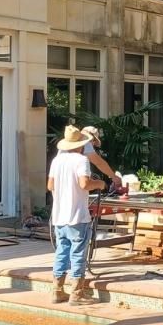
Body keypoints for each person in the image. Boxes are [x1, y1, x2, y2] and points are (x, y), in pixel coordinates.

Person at [47, 125, 104, 303]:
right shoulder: (81, 161)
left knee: (62, 251)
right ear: (80, 145)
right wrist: (100, 183)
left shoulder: (57, 161)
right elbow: (84, 184)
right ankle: (76, 293)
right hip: (77, 215)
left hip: (59, 215)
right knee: (78, 252)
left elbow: (50, 186)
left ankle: (57, 290)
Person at [81, 125, 122, 189]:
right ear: (90, 137)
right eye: (93, 140)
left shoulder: (71, 143)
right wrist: (114, 177)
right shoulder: (86, 142)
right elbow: (99, 162)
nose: (93, 144)